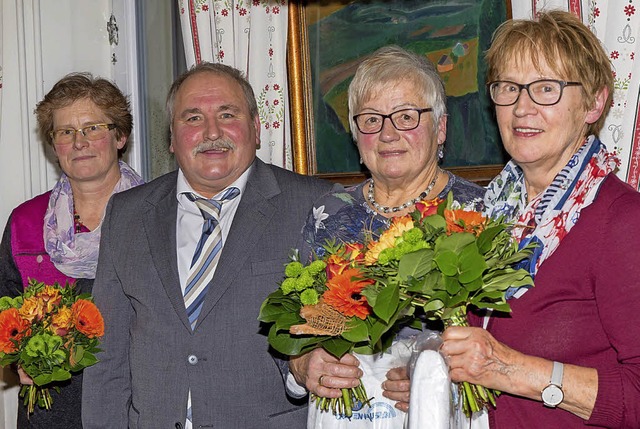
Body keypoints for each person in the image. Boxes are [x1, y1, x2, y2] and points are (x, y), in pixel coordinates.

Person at [80, 62, 332, 428]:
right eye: (193, 118)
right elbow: (107, 357)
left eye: (227, 114)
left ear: (256, 127)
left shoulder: (315, 206)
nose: (212, 132)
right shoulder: (127, 214)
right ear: (171, 137)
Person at [439, 11, 640, 428]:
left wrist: (510, 369)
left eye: (546, 88)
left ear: (594, 102)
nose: (522, 107)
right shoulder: (486, 215)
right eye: (509, 88)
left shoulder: (621, 222)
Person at [288, 45, 485, 413]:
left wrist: (439, 383)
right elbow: (297, 326)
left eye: (407, 116)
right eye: (371, 119)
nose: (388, 134)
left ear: (440, 128)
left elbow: (509, 344)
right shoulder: (328, 216)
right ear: (356, 134)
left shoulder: (477, 213)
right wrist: (302, 364)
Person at [0, 72, 144, 428]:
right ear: (54, 145)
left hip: (136, 408)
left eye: (93, 127)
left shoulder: (156, 216)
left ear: (120, 136)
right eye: (65, 132)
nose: (80, 142)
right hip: (49, 412)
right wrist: (18, 357)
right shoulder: (25, 223)